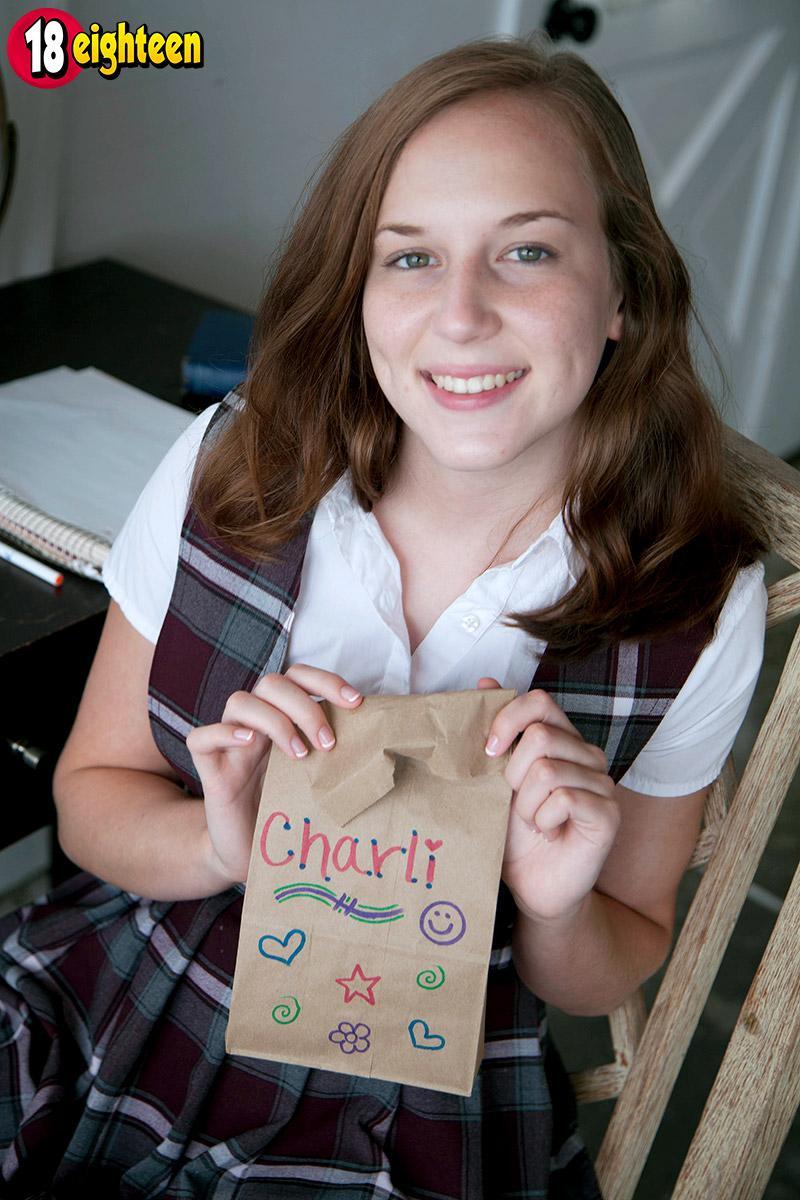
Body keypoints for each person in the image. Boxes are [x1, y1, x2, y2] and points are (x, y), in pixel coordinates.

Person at [1, 31, 768, 1200]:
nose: (458, 315)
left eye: (525, 250)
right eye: (408, 259)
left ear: (623, 292)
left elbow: (614, 954)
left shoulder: (694, 594)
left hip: (423, 1082)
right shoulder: (236, 467)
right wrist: (220, 844)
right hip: (128, 981)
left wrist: (559, 901)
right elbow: (89, 794)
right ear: (358, 290)